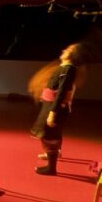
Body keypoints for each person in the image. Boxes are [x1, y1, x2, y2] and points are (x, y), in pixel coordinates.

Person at [30, 43, 85, 175]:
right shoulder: (65, 68)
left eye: (68, 49)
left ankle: (51, 167)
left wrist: (53, 112)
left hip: (54, 107)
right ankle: (52, 154)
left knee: (49, 135)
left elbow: (61, 91)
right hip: (51, 105)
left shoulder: (68, 69)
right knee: (52, 133)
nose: (64, 50)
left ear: (73, 55)